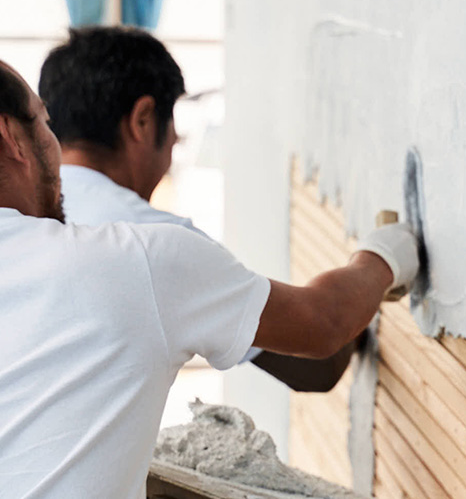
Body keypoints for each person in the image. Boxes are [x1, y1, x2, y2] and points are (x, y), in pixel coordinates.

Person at [0, 60, 418, 497]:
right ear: (11, 135)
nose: (177, 141)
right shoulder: (139, 257)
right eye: (44, 121)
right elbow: (321, 328)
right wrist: (385, 256)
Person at [39, 25, 362, 391]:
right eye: (172, 120)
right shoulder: (152, 241)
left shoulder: (19, 219)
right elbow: (316, 362)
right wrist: (379, 265)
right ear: (143, 120)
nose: (176, 138)